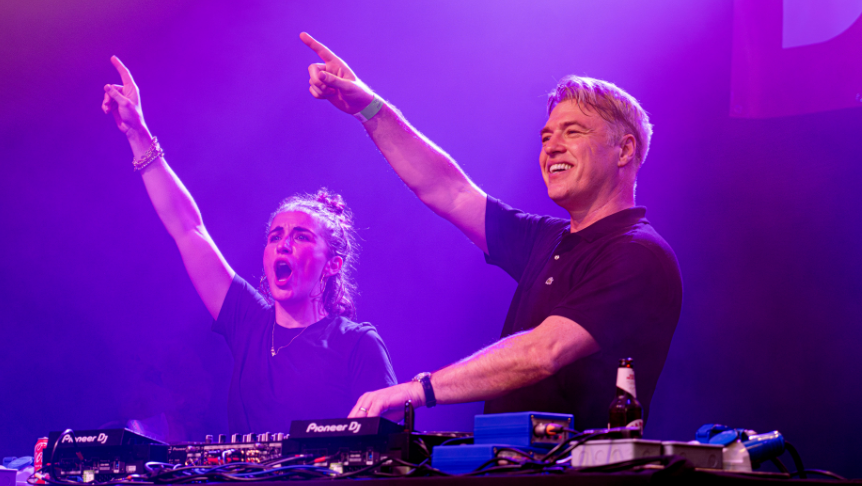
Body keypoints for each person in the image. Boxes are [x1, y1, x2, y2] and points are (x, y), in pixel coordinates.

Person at [300, 33, 682, 431]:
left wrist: (419, 389)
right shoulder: (547, 239)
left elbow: (543, 351)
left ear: (623, 151)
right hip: (514, 466)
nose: (551, 147)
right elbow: (449, 190)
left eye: (572, 132)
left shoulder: (638, 254)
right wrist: (369, 107)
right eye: (546, 137)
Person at [101, 56, 397, 434]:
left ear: (332, 264)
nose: (282, 244)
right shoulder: (249, 322)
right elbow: (188, 228)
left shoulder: (357, 344)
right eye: (275, 236)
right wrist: (137, 134)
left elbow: (390, 448)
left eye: (301, 236)